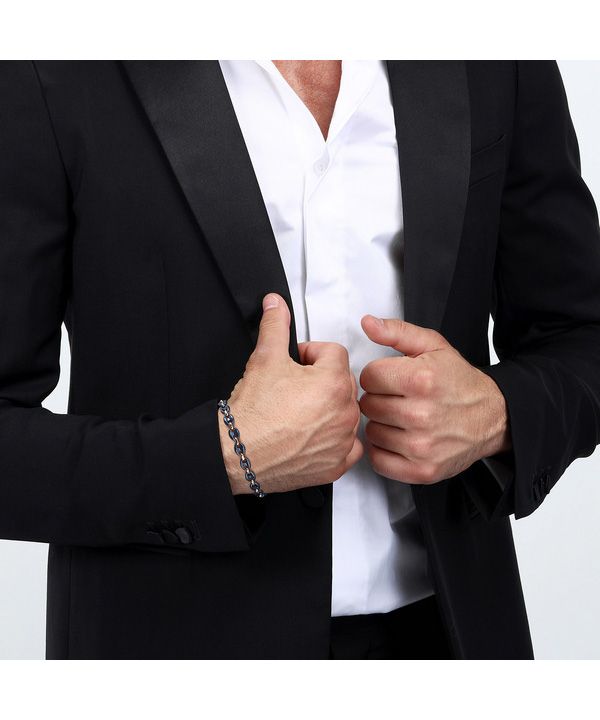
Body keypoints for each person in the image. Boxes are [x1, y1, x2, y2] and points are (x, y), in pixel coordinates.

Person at [0, 60, 598, 660]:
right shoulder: (47, 66)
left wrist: (496, 412)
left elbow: (581, 333)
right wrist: (221, 456)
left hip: (452, 637)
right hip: (167, 648)